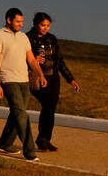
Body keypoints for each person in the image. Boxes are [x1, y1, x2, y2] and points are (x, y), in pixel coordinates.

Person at [0, 7, 45, 162]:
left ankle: (5, 143)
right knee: (22, 114)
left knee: (17, 113)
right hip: (8, 80)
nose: (21, 24)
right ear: (9, 20)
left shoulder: (23, 37)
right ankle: (29, 151)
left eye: (22, 21)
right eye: (18, 21)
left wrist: (40, 74)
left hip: (24, 81)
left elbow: (31, 60)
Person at [27, 11, 79, 151]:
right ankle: (43, 139)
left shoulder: (52, 39)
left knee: (50, 108)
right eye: (42, 25)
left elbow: (59, 60)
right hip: (37, 77)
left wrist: (70, 79)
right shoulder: (27, 38)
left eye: (48, 25)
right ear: (35, 24)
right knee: (48, 106)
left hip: (54, 78)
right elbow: (20, 59)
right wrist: (32, 61)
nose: (45, 28)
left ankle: (45, 139)